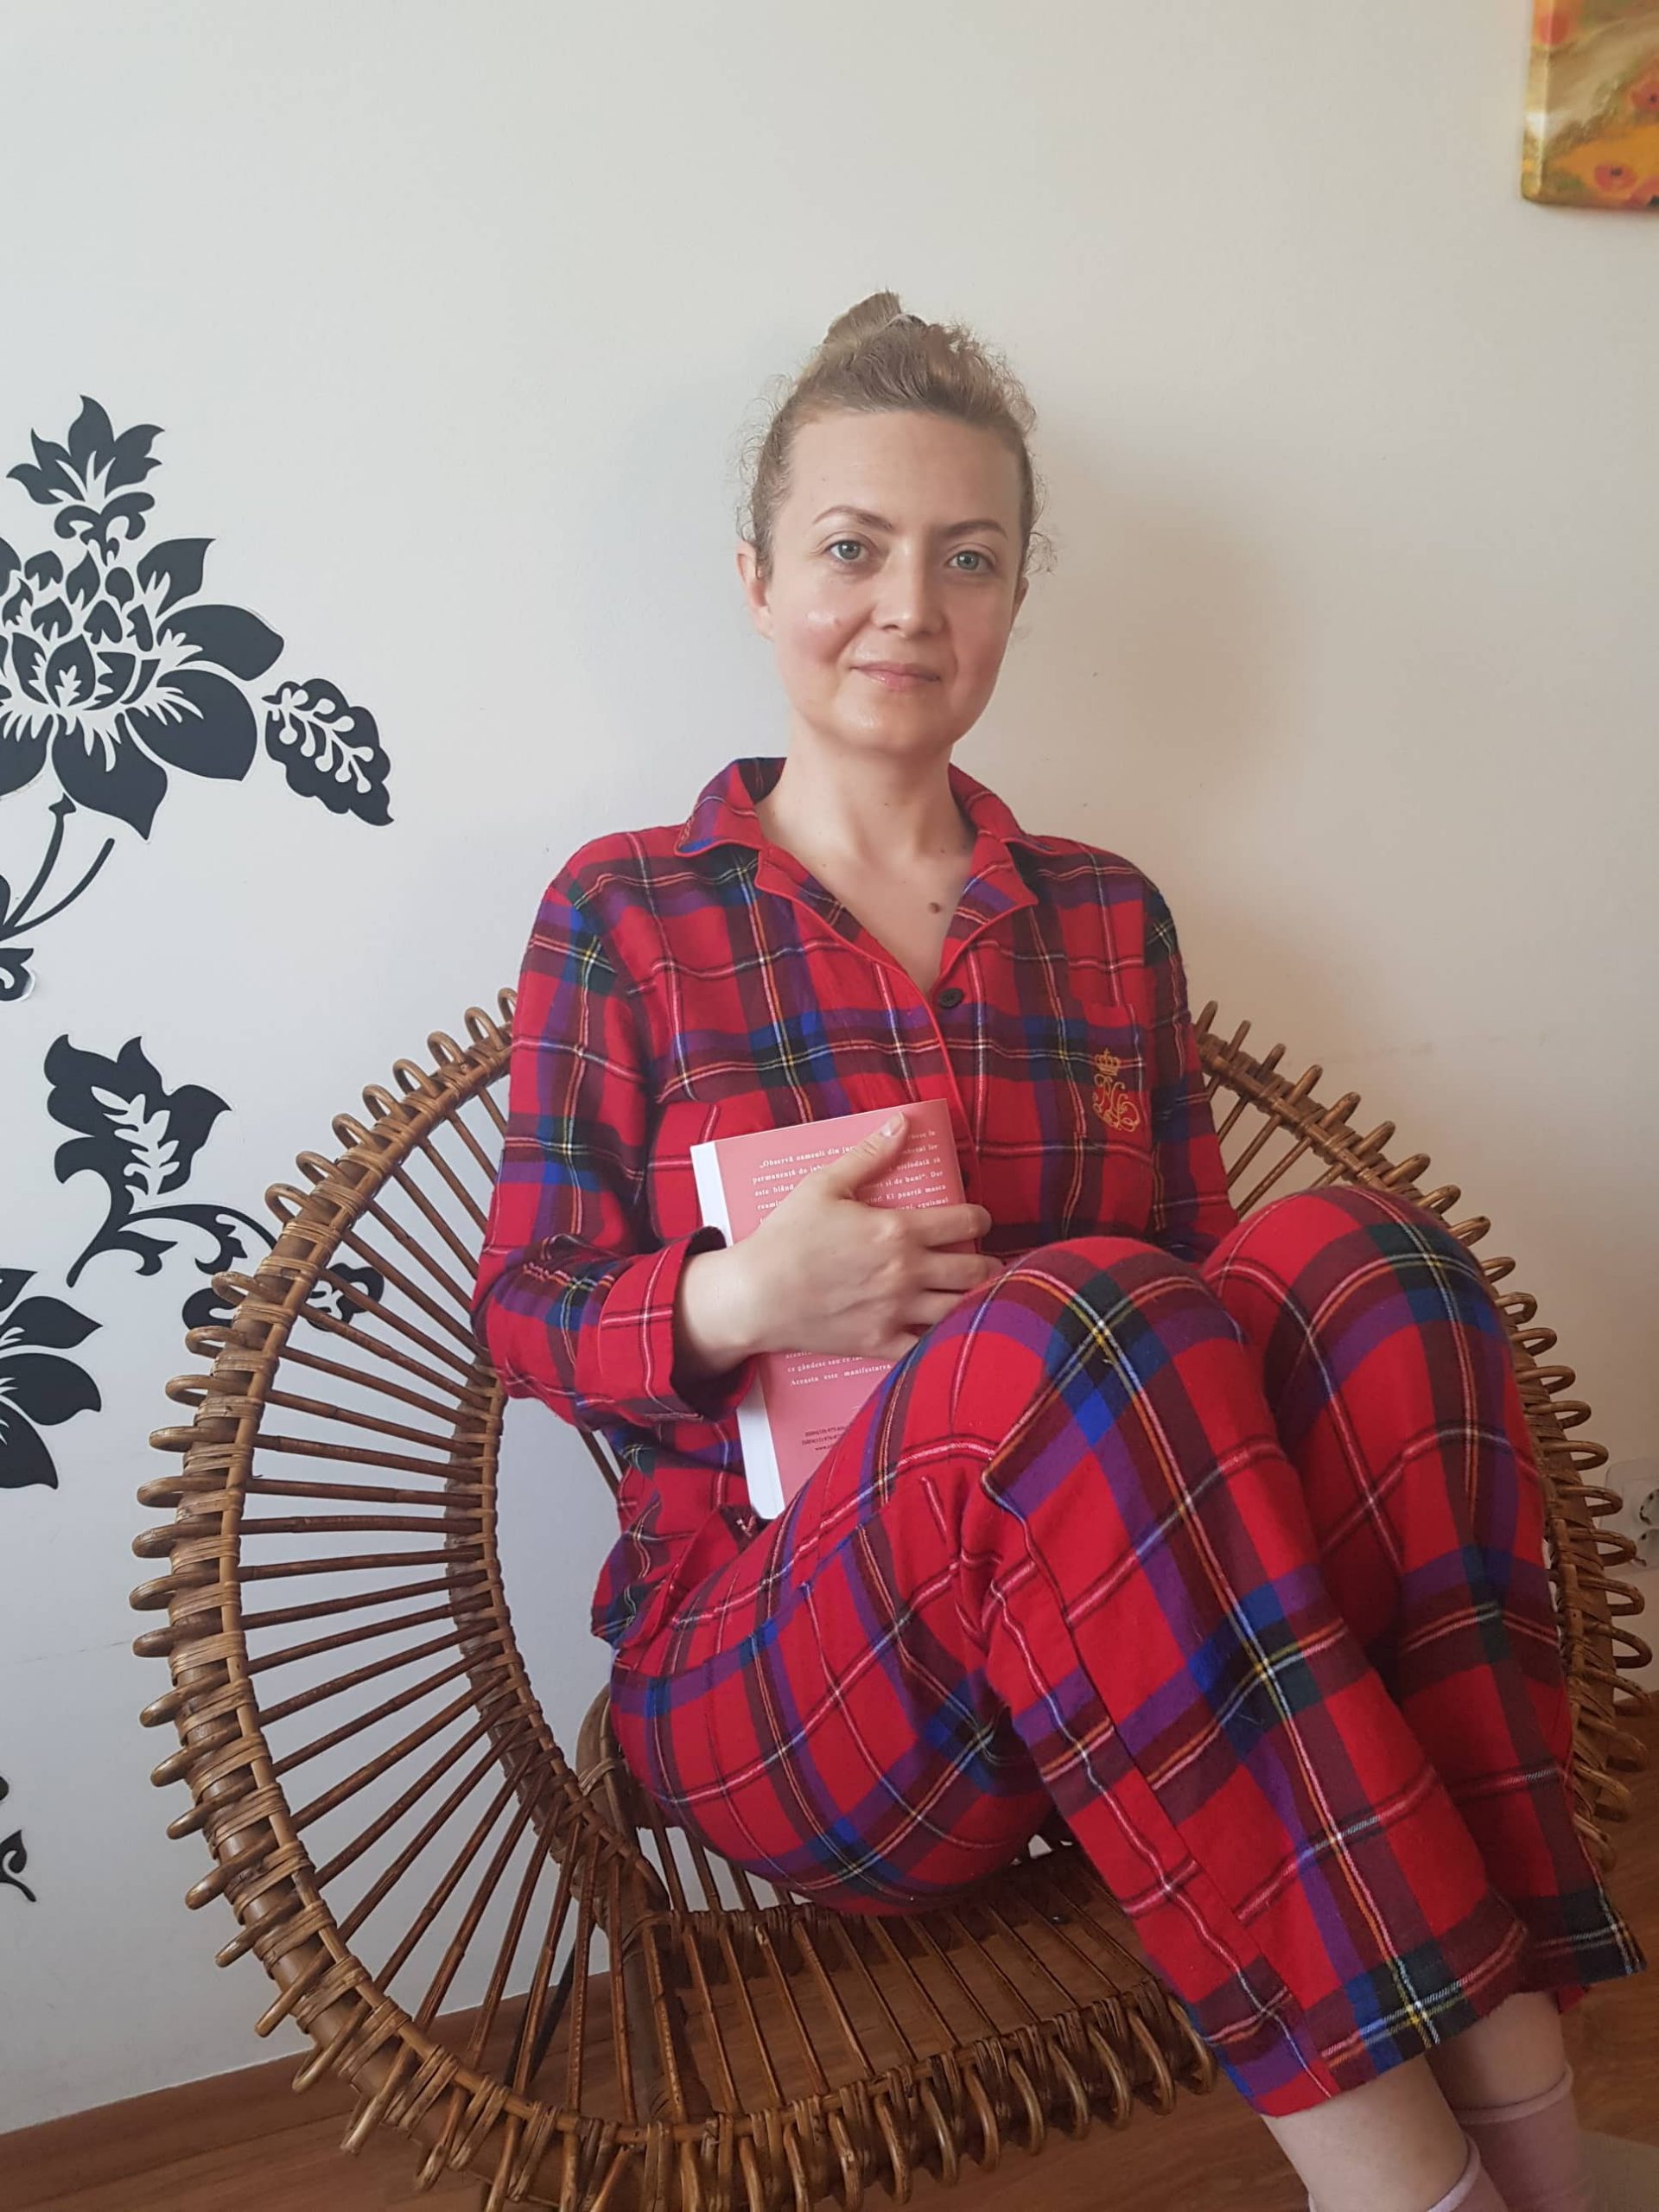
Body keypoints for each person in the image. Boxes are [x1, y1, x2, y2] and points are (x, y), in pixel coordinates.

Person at [469, 293, 1643, 2212]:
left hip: (1133, 1658)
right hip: (787, 1677)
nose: (905, 606)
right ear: (758, 580)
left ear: (1016, 597)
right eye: (852, 548)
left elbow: (1224, 1325)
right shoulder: (629, 915)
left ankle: (1528, 2138)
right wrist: (742, 1299)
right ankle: (1403, 2189)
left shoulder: (1106, 920)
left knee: (1370, 1269)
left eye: (968, 558)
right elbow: (523, 1313)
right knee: (1077, 1324)